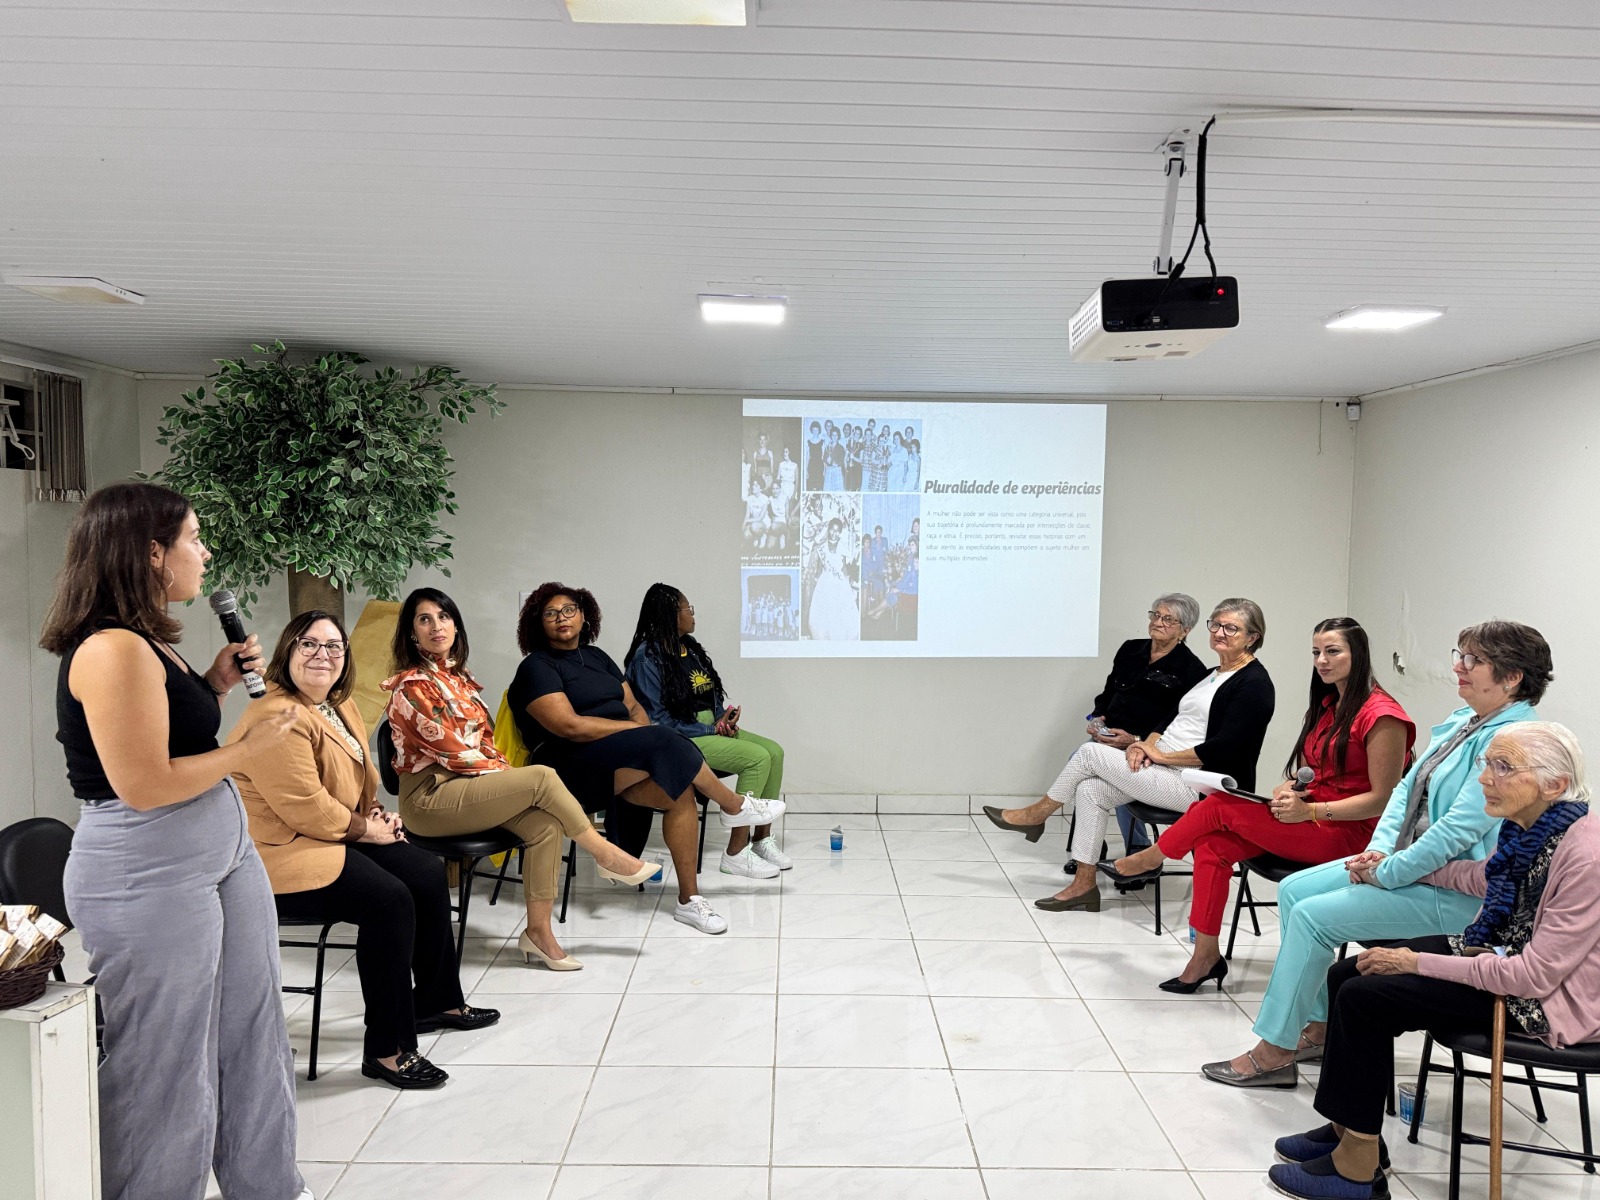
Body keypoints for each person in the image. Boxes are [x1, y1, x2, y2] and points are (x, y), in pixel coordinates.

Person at [42, 481, 310, 1200]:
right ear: (152, 553)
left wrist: (216, 689)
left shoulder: (150, 644)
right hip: (145, 862)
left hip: (215, 850)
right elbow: (143, 782)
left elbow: (170, 739)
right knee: (167, 1057)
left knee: (251, 1034)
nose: (206, 551)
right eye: (194, 538)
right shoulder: (111, 649)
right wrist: (245, 750)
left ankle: (270, 1188)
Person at [1203, 619, 1552, 1089]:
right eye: (1460, 654)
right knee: (1293, 890)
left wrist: (1389, 872)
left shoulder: (1516, 739)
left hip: (1462, 891)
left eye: (1474, 661)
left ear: (1511, 677)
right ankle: (1320, 1027)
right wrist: (1378, 853)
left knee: (1312, 918)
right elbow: (1405, 792)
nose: (1458, 667)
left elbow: (1457, 830)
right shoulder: (1465, 722)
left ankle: (1274, 1050)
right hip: (1408, 867)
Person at [1265, 722, 1597, 1200]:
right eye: (1487, 764)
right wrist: (1390, 871)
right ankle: (1351, 1130)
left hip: (1546, 1001)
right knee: (1347, 973)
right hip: (1504, 956)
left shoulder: (1585, 855)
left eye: (1502, 768)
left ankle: (1357, 1171)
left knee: (1366, 996)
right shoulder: (1536, 829)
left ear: (1554, 784)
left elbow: (1532, 976)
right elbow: (1486, 877)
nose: (1485, 778)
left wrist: (1414, 962)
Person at [230, 610, 500, 1091]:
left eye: (334, 646)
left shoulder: (338, 703)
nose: (322, 655)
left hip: (329, 835)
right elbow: (305, 809)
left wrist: (376, 814)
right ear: (286, 652)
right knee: (389, 900)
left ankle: (435, 1001)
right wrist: (366, 831)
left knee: (423, 871)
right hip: (282, 854)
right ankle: (387, 1050)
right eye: (308, 644)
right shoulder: (275, 716)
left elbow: (355, 780)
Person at [1103, 618, 1415, 993]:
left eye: (1333, 651)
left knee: (1218, 805)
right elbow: (1313, 770)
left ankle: (1152, 857)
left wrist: (1311, 811)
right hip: (1312, 818)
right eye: (1316, 652)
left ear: (1358, 654)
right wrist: (1291, 788)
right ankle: (1205, 956)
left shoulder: (1383, 715)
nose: (1321, 661)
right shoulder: (1331, 704)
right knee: (1212, 846)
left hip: (1352, 834)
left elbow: (1383, 798)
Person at [384, 588, 660, 971]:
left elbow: (487, 744)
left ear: (456, 626)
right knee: (542, 778)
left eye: (444, 617)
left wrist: (509, 779)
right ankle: (605, 853)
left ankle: (538, 934)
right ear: (412, 633)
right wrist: (516, 781)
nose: (436, 626)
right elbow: (456, 753)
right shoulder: (411, 685)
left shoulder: (460, 680)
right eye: (424, 619)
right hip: (430, 798)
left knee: (545, 824)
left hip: (467, 789)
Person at [510, 583, 785, 934]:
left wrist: (635, 730)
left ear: (584, 615)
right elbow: (569, 726)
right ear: (538, 622)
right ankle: (734, 806)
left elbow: (635, 707)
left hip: (615, 759)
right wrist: (631, 732)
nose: (562, 618)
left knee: (680, 791)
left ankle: (689, 901)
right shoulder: (537, 666)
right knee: (663, 735)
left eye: (569, 610)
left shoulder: (597, 657)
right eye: (551, 613)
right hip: (567, 769)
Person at [987, 599, 1274, 912]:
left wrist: (1157, 755)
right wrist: (1144, 745)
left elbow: (1223, 748)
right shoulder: (1212, 673)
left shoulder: (1254, 684)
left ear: (1252, 637)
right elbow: (1170, 720)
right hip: (1165, 767)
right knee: (1090, 790)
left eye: (1231, 628)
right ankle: (1084, 883)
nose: (1219, 632)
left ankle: (1038, 814)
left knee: (1087, 754)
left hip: (1201, 787)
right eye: (1216, 624)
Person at [625, 584, 792, 880]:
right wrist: (708, 727)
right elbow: (656, 720)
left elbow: (707, 697)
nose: (693, 616)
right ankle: (736, 854)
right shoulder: (647, 658)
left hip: (705, 729)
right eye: (689, 609)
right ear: (670, 615)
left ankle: (761, 840)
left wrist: (723, 717)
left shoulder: (690, 648)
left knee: (774, 752)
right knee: (756, 758)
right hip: (677, 740)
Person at [1068, 595, 1211, 861]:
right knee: (1080, 761)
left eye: (1168, 619)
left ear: (1185, 630)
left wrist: (1136, 740)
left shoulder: (1192, 670)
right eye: (1155, 615)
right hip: (1108, 738)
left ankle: (1136, 849)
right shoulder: (1130, 650)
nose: (1158, 622)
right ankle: (1090, 850)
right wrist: (1097, 719)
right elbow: (1109, 692)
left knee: (1119, 771)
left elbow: (1177, 723)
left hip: (1148, 748)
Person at [806, 518, 859, 640]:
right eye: (832, 530)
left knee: (840, 614)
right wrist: (815, 583)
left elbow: (844, 568)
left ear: (840, 533)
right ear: (828, 530)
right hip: (825, 583)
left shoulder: (843, 547)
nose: (834, 533)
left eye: (837, 531)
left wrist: (848, 584)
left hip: (840, 583)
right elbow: (819, 569)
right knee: (824, 614)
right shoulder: (821, 548)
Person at [804, 421, 824, 491]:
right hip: (811, 466)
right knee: (811, 485)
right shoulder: (808, 442)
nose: (815, 431)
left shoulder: (822, 441)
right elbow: (807, 457)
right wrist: (806, 470)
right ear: (811, 430)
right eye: (814, 430)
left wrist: (824, 469)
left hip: (819, 465)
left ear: (819, 430)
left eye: (817, 430)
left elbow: (823, 456)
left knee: (819, 485)